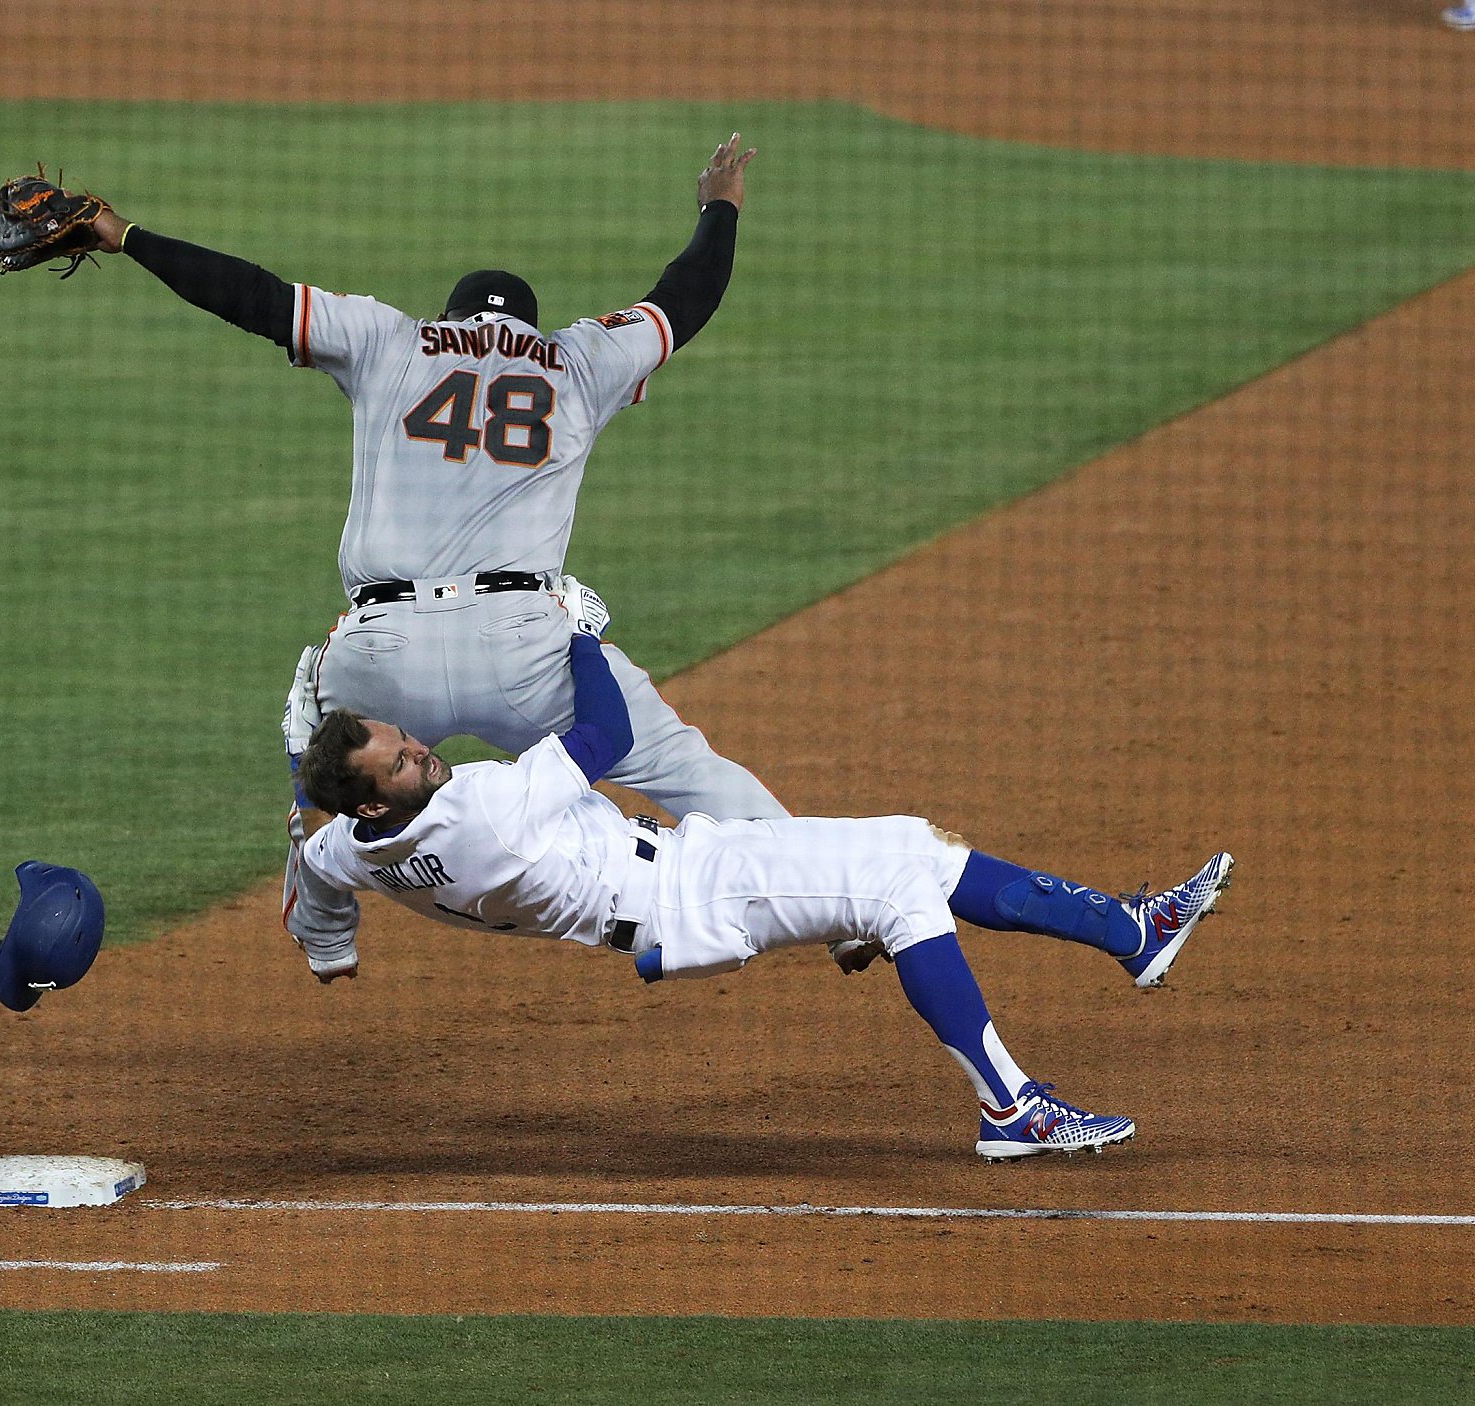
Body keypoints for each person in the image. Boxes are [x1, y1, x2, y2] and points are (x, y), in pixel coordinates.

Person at [72, 136, 880, 975]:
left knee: (323, 751)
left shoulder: (390, 339)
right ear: (524, 325)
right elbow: (686, 298)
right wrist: (722, 204)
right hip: (523, 644)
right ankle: (842, 909)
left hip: (384, 652)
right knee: (682, 766)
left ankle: (325, 938)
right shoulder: (579, 359)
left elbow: (252, 295)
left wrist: (125, 234)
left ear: (453, 317)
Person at [285, 613, 1235, 1161]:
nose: (421, 751)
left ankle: (1131, 932)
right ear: (375, 800)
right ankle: (1012, 1107)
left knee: (911, 848)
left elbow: (315, 876)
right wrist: (582, 633)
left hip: (682, 882)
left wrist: (332, 950)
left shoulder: (355, 850)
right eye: (401, 759)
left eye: (404, 738)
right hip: (692, 900)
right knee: (899, 893)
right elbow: (607, 736)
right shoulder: (483, 810)